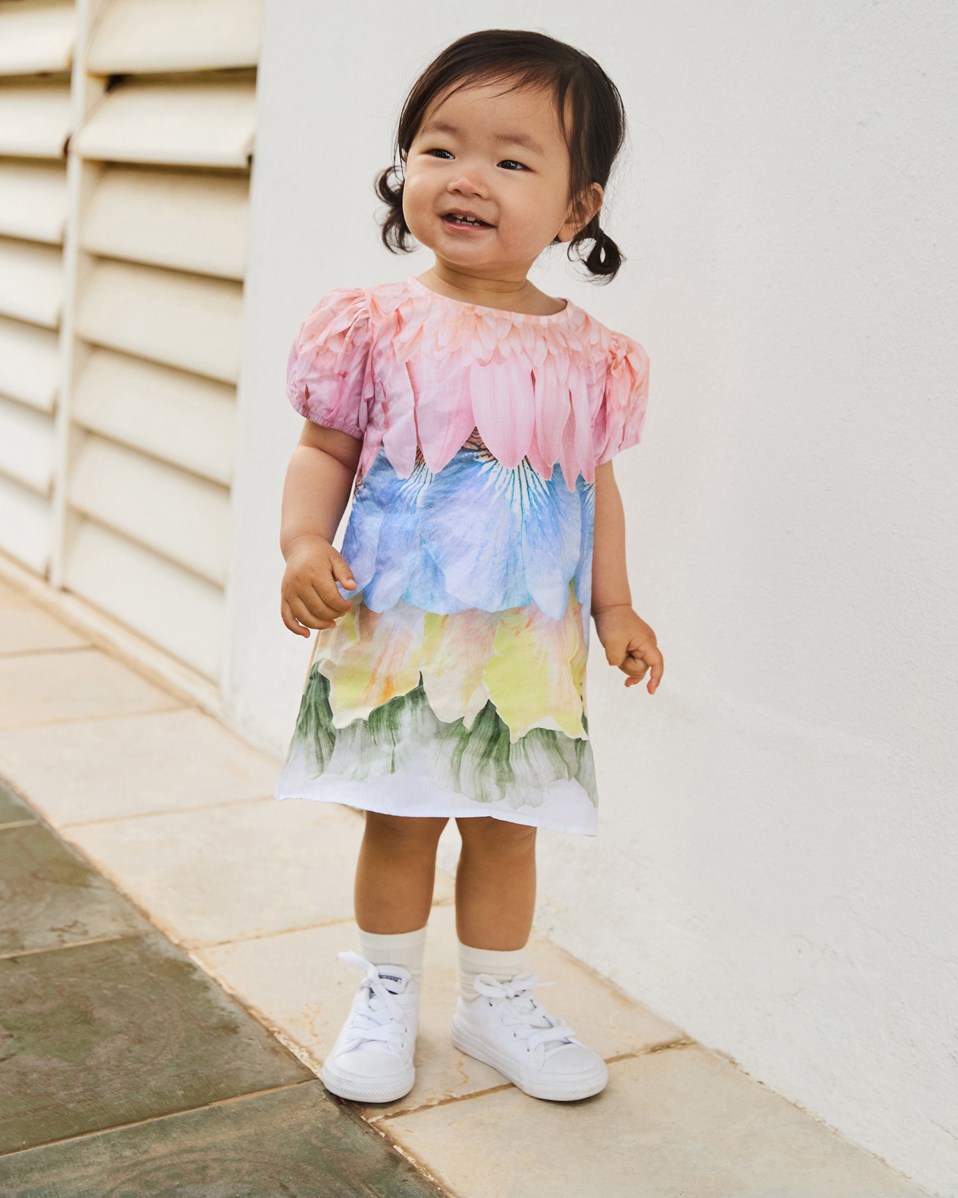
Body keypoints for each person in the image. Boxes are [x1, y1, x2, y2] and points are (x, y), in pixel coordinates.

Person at [273, 28, 664, 1106]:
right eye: (439, 149)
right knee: (399, 819)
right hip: (400, 627)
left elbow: (592, 489)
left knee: (507, 827)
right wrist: (305, 544)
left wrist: (615, 605)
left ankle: (493, 998)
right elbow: (324, 451)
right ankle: (385, 988)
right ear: (405, 169)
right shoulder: (377, 324)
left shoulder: (593, 354)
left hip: (524, 644)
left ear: (575, 210)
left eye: (511, 159)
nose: (465, 179)